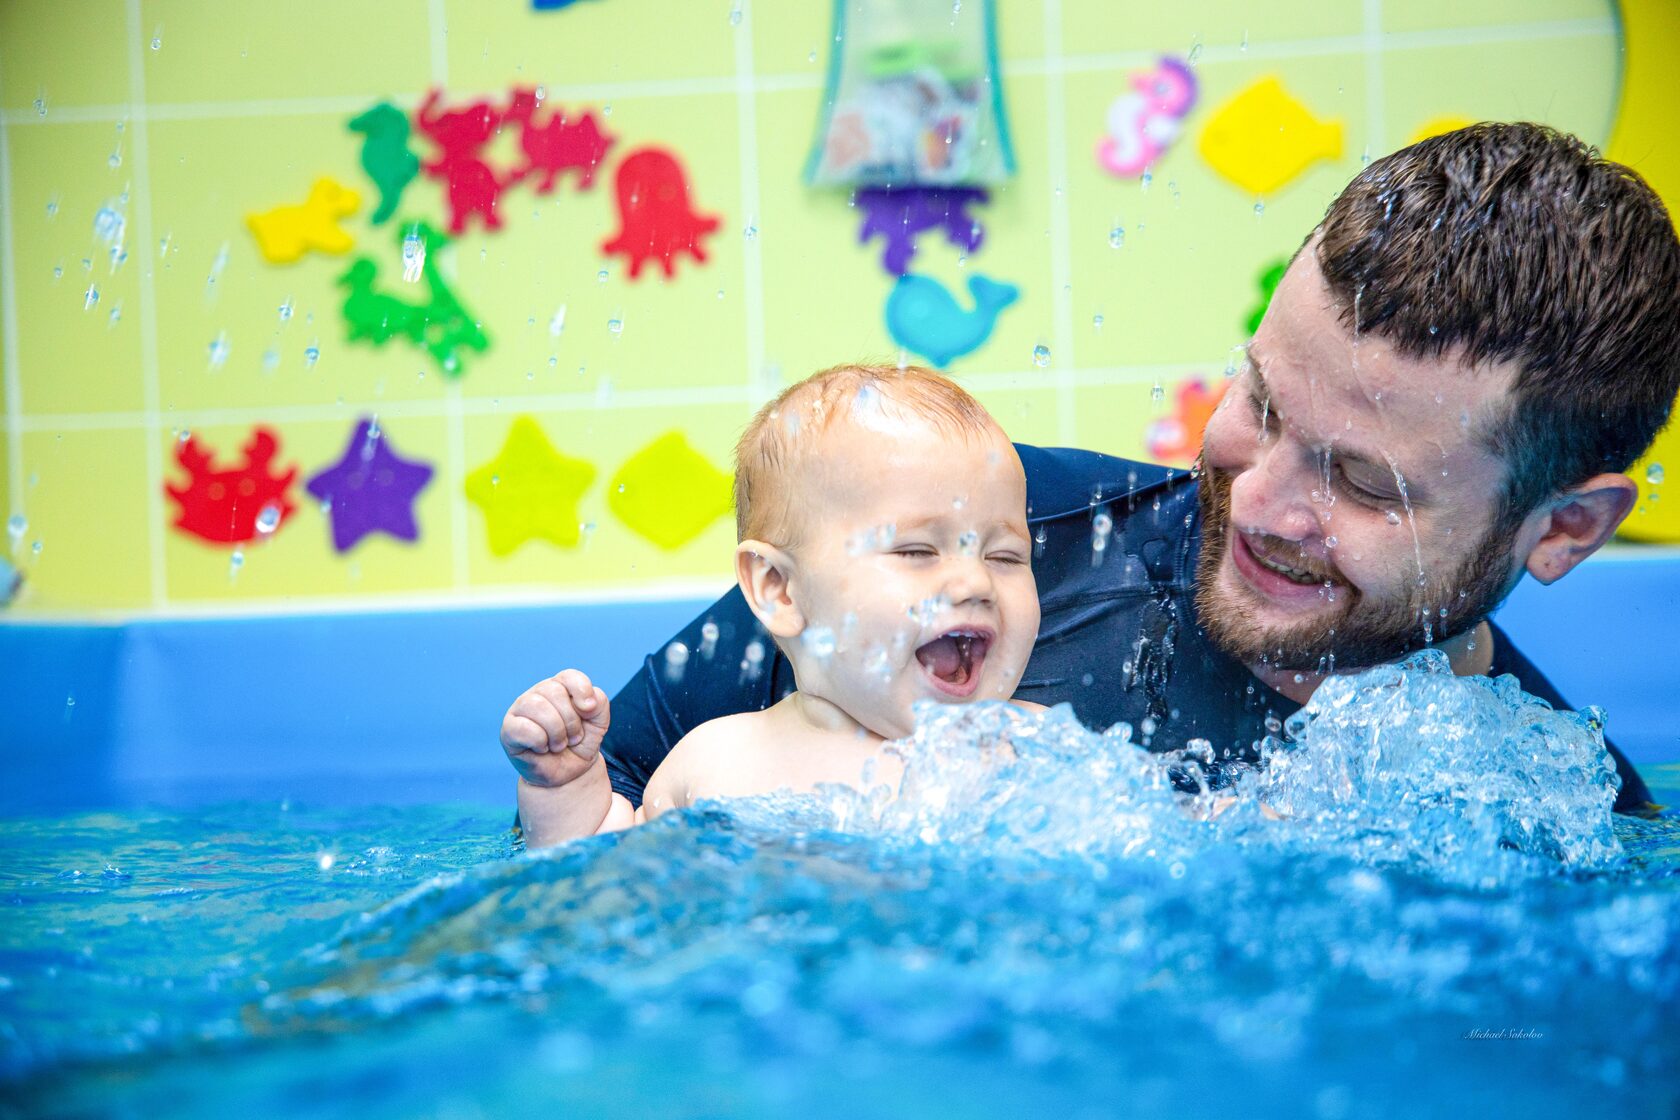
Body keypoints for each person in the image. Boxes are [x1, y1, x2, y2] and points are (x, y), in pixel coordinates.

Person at [591, 123, 1679, 818]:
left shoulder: (1563, 817)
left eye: (1359, 482)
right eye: (1257, 400)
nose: (1255, 501)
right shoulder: (959, 541)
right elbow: (579, 847)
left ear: (1565, 529)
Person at [503, 365, 1044, 847]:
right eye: (917, 550)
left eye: (1006, 556)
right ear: (779, 588)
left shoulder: (1037, 749)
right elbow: (598, 879)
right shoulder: (721, 760)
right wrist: (567, 788)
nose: (976, 582)